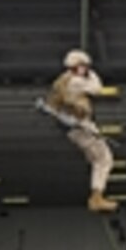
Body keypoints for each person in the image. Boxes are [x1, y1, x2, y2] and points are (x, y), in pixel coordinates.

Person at [47, 49, 117, 212]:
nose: (85, 69)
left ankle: (97, 194)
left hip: (74, 128)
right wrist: (92, 73)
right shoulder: (75, 81)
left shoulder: (62, 81)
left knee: (96, 159)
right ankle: (97, 196)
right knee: (105, 159)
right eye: (84, 66)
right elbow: (97, 89)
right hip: (82, 125)